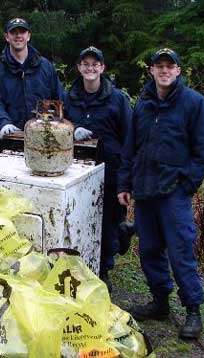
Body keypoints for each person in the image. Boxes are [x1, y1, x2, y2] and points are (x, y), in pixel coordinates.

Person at [117, 48, 204, 339]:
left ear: (178, 71)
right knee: (149, 250)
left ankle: (192, 310)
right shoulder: (143, 105)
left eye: (169, 66)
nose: (164, 71)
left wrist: (185, 185)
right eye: (158, 66)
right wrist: (125, 185)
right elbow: (130, 148)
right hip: (145, 191)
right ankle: (160, 302)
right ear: (151, 71)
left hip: (174, 193)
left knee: (180, 250)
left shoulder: (194, 103)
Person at [64, 46, 133, 292]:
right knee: (80, 219)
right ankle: (80, 265)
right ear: (79, 68)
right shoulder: (68, 97)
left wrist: (127, 177)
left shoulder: (118, 99)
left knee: (106, 224)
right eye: (85, 64)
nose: (90, 68)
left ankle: (104, 270)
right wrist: (72, 130)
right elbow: (59, 125)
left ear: (102, 68)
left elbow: (130, 138)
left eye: (95, 64)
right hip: (77, 173)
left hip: (110, 172)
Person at [0, 17, 64, 152]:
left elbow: (57, 99)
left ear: (29, 36)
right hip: (9, 140)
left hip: (43, 141)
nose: (18, 35)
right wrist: (3, 123)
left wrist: (53, 128)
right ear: (7, 37)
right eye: (14, 32)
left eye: (22, 32)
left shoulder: (45, 67)